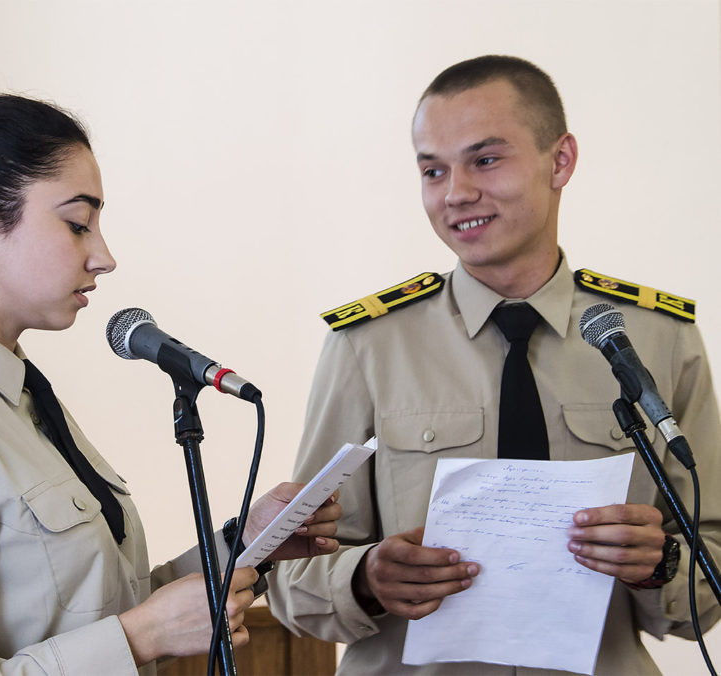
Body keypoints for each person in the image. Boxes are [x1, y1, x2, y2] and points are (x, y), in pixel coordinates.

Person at [0, 94, 342, 675]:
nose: (104, 256)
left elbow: (95, 611)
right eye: (77, 223)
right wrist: (140, 638)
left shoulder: (18, 402)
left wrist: (242, 539)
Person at [267, 55, 721, 675]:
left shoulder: (655, 339)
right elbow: (292, 574)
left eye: (485, 159)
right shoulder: (368, 345)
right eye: (433, 170)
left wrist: (662, 562)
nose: (456, 193)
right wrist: (366, 577)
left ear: (559, 161)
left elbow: (711, 563)